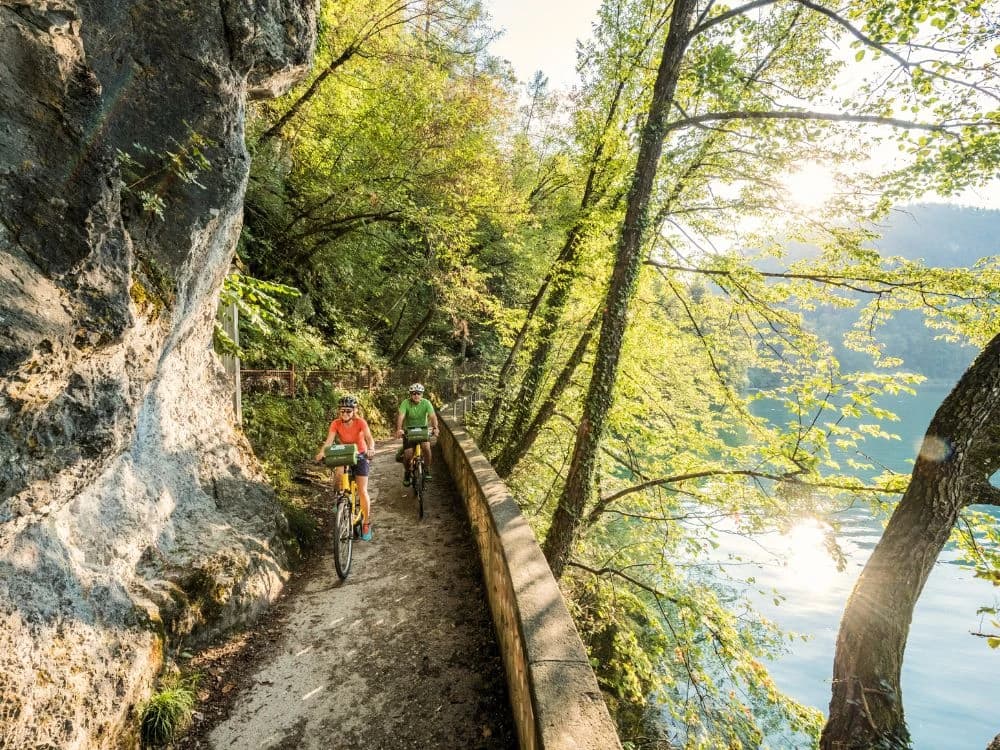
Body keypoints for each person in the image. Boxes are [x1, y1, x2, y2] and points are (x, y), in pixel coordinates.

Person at [314, 395, 376, 541]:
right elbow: (329, 441)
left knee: (362, 490)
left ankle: (366, 522)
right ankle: (341, 499)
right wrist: (322, 452)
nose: (345, 414)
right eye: (342, 411)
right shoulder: (336, 423)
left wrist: (371, 449)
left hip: (360, 455)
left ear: (354, 411)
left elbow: (369, 438)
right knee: (338, 475)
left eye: (348, 411)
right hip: (344, 453)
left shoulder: (360, 422)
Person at [395, 383, 438, 486]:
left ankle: (426, 469)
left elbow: (433, 417)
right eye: (413, 393)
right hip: (409, 432)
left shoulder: (426, 403)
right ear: (411, 394)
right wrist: (399, 429)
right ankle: (407, 472)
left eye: (418, 393)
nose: (416, 395)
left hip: (422, 431)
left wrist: (436, 428)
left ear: (422, 394)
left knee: (426, 447)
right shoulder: (405, 403)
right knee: (408, 454)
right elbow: (401, 417)